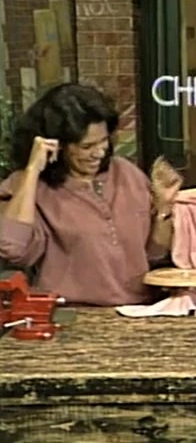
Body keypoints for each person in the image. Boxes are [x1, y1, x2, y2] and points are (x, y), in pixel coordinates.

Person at [0, 83, 182, 306]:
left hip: (138, 310)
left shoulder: (126, 173)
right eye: (87, 147)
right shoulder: (30, 186)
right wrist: (32, 170)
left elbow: (154, 255)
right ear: (57, 145)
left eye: (103, 141)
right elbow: (12, 249)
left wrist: (164, 207)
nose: (99, 153)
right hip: (72, 313)